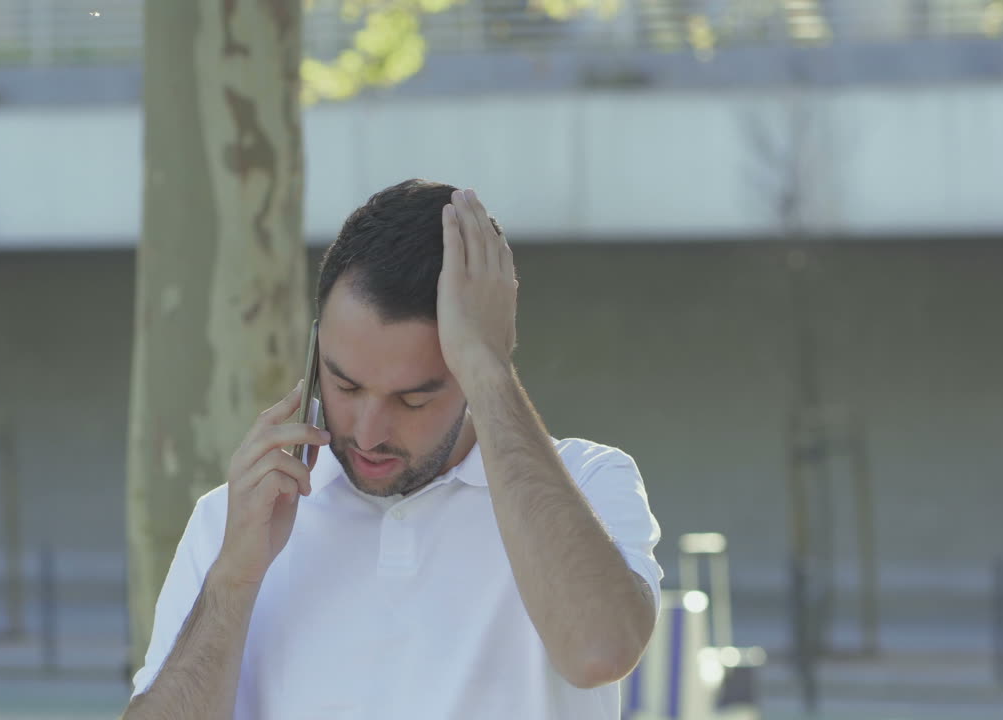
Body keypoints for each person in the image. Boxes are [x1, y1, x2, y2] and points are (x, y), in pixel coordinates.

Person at [123, 179, 663, 719]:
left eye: (412, 399)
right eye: (346, 385)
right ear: (315, 350)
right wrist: (235, 577)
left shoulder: (588, 480)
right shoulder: (234, 518)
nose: (369, 430)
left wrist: (491, 371)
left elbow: (600, 652)